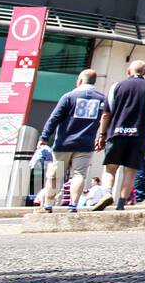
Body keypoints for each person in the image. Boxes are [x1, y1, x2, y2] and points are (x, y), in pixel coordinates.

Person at [95, 60, 145, 211]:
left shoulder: (116, 87)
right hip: (138, 135)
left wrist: (102, 135)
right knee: (131, 170)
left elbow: (106, 113)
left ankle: (107, 193)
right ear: (144, 72)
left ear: (128, 71)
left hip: (116, 133)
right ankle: (121, 203)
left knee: (110, 168)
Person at [38, 68, 106, 213]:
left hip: (64, 142)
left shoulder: (69, 96)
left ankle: (48, 205)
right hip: (86, 144)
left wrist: (44, 137)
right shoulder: (101, 99)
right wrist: (102, 136)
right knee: (79, 174)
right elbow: (106, 119)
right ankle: (73, 205)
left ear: (80, 81)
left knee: (55, 175)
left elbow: (55, 118)